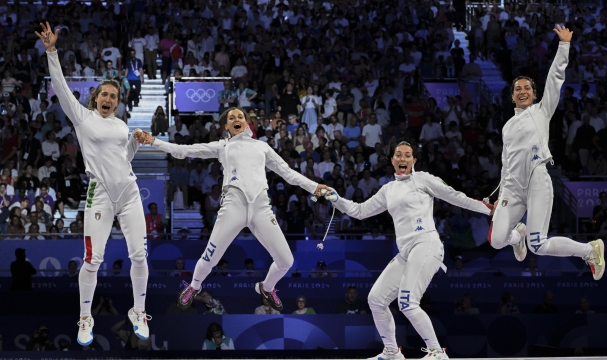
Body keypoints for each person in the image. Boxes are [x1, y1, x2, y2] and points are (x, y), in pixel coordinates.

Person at [135, 107, 332, 313]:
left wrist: (315, 187)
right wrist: (154, 141)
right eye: (232, 118)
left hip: (261, 207)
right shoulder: (223, 146)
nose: (237, 119)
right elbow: (184, 151)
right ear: (226, 126)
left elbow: (288, 173)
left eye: (240, 116)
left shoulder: (262, 147)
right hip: (233, 206)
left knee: (286, 261)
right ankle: (194, 286)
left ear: (247, 123)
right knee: (209, 259)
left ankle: (266, 287)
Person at [323, 141, 493, 360]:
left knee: (407, 302)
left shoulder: (424, 179)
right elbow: (360, 211)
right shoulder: (388, 190)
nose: (402, 159)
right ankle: (392, 352)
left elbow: (455, 196)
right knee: (376, 299)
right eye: (398, 155)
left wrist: (487, 209)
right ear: (392, 160)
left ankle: (436, 352)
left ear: (414, 161)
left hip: (427, 244)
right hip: (406, 252)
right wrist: (337, 199)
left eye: (407, 155)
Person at [37, 22, 151, 346]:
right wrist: (51, 51)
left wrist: (136, 142)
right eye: (105, 94)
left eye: (114, 96)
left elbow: (124, 157)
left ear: (117, 102)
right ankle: (85, 318)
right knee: (93, 260)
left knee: (140, 256)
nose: (109, 98)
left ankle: (138, 312)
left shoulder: (121, 125)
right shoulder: (83, 118)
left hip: (128, 193)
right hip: (99, 195)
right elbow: (59, 86)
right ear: (96, 97)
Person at [487, 25, 605, 280]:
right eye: (517, 89)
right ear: (512, 97)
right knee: (497, 240)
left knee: (538, 245)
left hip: (537, 179)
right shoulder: (507, 127)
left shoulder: (542, 111)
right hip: (513, 187)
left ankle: (589, 250)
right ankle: (517, 234)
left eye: (526, 88)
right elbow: (506, 164)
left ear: (534, 94)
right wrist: (500, 194)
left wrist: (564, 46)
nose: (522, 91)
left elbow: (555, 78)